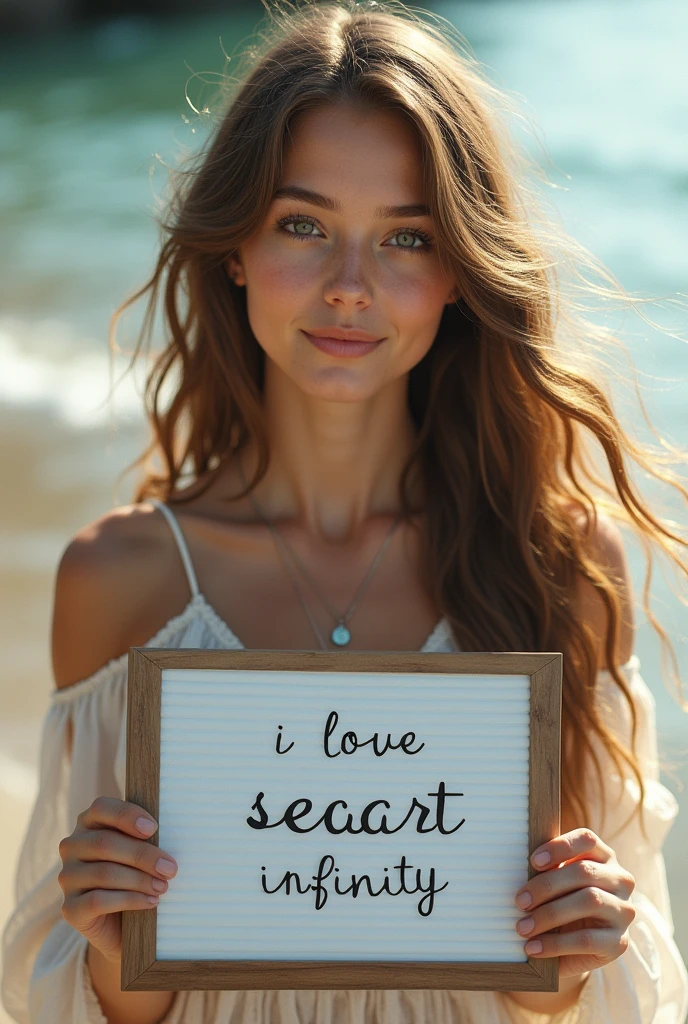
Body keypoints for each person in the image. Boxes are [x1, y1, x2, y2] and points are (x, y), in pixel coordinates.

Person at [3, 1, 688, 1021]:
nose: (350, 288)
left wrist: (578, 956)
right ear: (235, 245)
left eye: (404, 237)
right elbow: (60, 999)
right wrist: (111, 952)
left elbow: (622, 991)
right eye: (304, 225)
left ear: (456, 269)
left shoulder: (557, 564)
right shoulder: (121, 582)